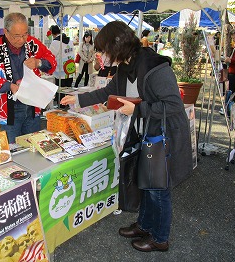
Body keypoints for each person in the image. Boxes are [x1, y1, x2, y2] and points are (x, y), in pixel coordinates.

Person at [61, 21, 193, 252]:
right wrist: (78, 100)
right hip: (145, 133)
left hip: (163, 135)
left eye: (103, 50)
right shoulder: (125, 67)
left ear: (117, 45)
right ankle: (144, 225)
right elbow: (109, 92)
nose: (101, 55)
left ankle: (160, 238)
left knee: (158, 188)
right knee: (146, 182)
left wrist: (138, 111)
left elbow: (173, 105)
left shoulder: (154, 67)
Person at [0, 12, 57, 143]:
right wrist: (10, 86)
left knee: (35, 144)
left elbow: (51, 60)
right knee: (12, 147)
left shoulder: (32, 43)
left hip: (33, 105)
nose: (21, 40)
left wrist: (39, 62)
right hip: (10, 108)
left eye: (25, 34)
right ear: (6, 31)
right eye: (17, 36)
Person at [48, 25, 75, 106]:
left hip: (60, 72)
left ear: (52, 33)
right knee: (69, 90)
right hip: (70, 69)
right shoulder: (70, 40)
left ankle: (62, 109)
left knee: (61, 91)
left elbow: (50, 56)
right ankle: (69, 107)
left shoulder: (55, 42)